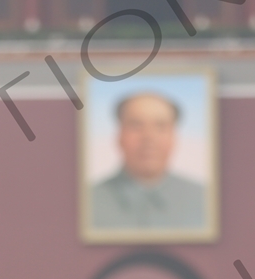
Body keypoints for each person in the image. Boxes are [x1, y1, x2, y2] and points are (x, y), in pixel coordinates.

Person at [89, 91, 208, 233]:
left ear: (174, 138)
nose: (148, 137)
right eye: (136, 126)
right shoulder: (88, 202)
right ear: (119, 136)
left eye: (160, 127)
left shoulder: (205, 200)